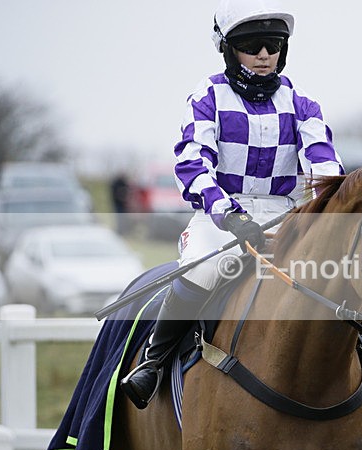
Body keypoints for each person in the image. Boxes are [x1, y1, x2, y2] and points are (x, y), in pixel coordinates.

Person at [120, 0, 344, 409]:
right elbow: (191, 163)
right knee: (203, 270)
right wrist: (228, 213)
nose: (264, 54)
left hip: (286, 216)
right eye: (252, 44)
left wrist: (327, 208)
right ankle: (153, 363)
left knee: (333, 274)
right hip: (220, 216)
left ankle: (354, 372)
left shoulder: (304, 103)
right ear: (228, 48)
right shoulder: (206, 97)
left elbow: (324, 167)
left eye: (273, 44)